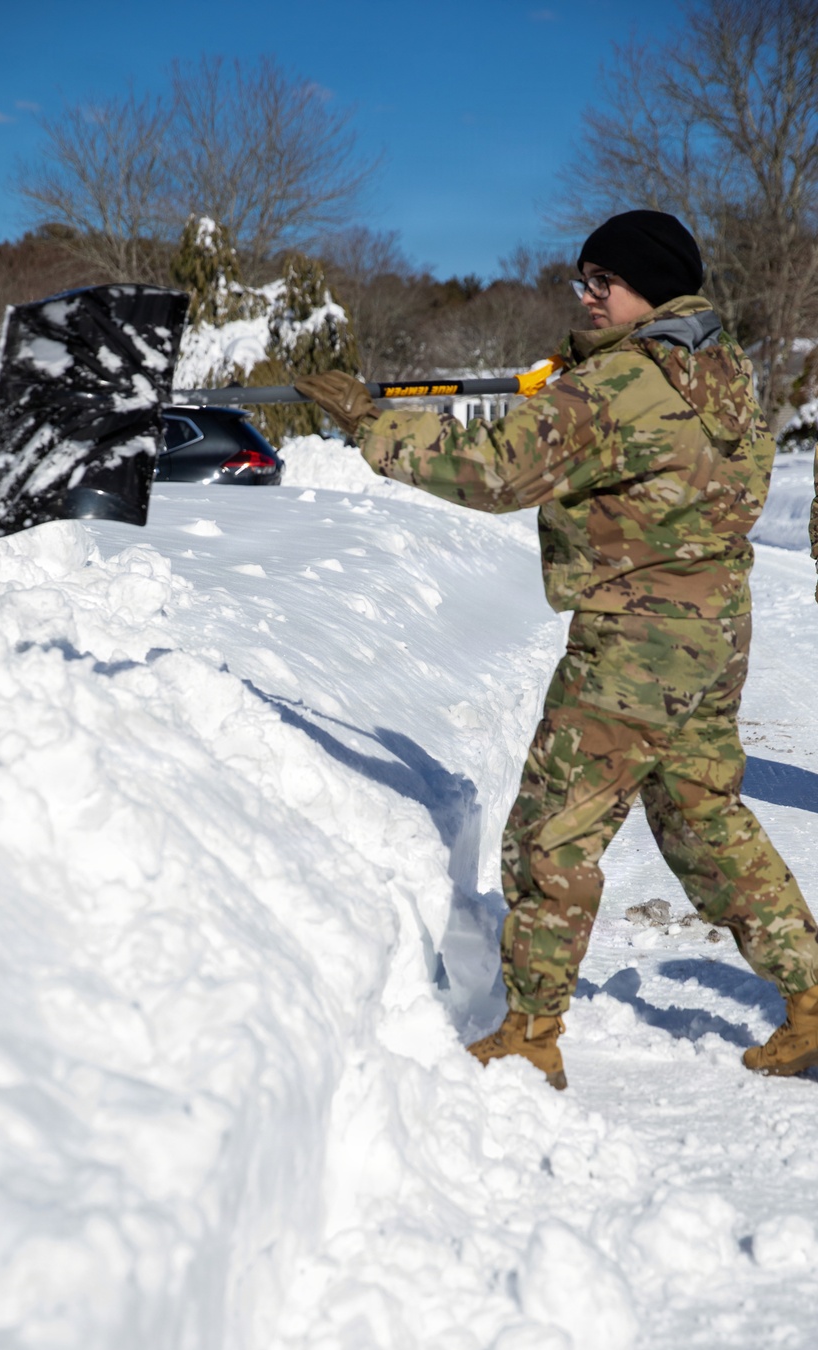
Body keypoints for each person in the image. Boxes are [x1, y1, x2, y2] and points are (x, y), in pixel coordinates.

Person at [296, 209, 818, 1090]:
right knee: (704, 820)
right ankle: (811, 997)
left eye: (601, 282)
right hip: (713, 632)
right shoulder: (719, 369)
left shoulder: (620, 384)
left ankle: (531, 1033)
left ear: (648, 285)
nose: (586, 295)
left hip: (634, 644)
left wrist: (370, 421)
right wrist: (574, 384)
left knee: (551, 835)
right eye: (584, 280)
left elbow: (498, 469)